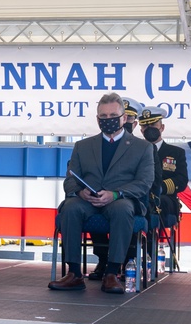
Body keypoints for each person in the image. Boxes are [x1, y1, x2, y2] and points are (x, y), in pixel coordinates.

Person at [49, 93, 154, 294]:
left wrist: (115, 194)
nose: (108, 120)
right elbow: (70, 178)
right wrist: (80, 191)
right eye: (103, 117)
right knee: (70, 208)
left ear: (124, 118)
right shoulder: (82, 146)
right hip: (87, 199)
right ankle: (74, 274)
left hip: (120, 199)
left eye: (113, 115)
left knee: (122, 209)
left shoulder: (143, 148)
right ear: (97, 119)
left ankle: (112, 273)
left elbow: (144, 182)